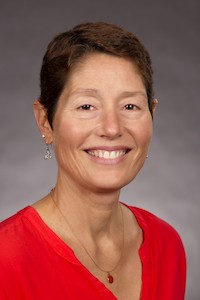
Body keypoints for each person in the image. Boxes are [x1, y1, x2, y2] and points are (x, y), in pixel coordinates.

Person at [0, 22, 186, 300]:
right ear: (45, 123)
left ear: (152, 115)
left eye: (130, 106)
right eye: (86, 106)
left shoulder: (167, 245)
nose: (112, 128)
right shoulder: (6, 258)